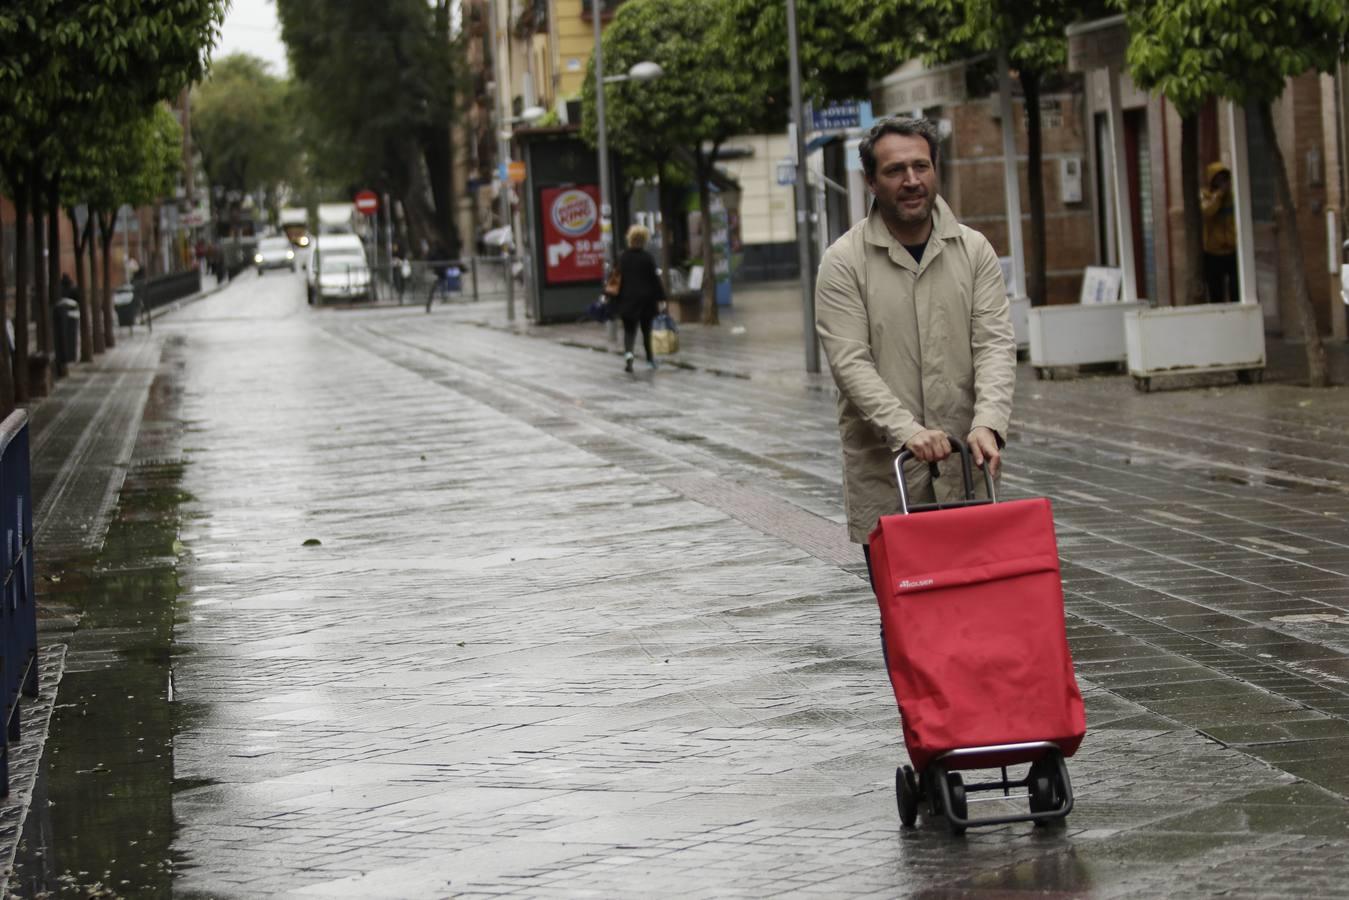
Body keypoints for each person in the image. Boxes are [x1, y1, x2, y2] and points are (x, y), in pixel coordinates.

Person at [814, 116, 1016, 571]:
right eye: (894, 170)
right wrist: (908, 431)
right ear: (870, 180)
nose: (911, 181)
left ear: (936, 168)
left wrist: (988, 423)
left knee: (977, 612)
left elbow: (995, 344)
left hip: (966, 469)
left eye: (921, 166)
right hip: (890, 476)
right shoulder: (844, 263)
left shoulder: (974, 250)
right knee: (909, 620)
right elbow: (850, 364)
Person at [614, 224, 665, 372]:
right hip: (646, 301)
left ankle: (629, 357)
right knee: (646, 331)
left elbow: (616, 279)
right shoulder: (647, 258)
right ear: (644, 240)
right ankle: (650, 360)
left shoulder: (623, 257)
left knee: (629, 332)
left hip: (627, 301)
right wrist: (661, 298)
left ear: (630, 239)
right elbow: (655, 280)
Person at [1201, 161, 1238, 303]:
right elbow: (1207, 212)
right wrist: (1219, 196)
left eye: (1225, 179)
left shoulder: (1233, 198)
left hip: (1231, 250)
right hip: (1213, 253)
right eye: (1219, 179)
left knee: (1236, 290)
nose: (1223, 183)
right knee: (1216, 292)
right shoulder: (1206, 196)